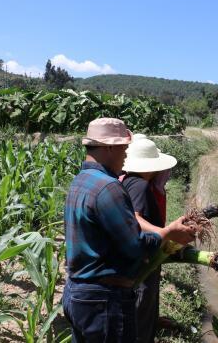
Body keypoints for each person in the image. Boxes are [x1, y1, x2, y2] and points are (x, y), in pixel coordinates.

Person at [62, 118, 196, 342]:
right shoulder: (108, 188)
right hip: (103, 301)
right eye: (124, 147)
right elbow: (136, 247)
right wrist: (169, 233)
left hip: (78, 295)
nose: (126, 153)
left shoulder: (80, 182)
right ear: (109, 147)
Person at [121, 136, 179, 342]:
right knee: (143, 299)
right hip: (144, 256)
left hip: (137, 254)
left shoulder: (128, 180)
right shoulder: (140, 187)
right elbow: (136, 220)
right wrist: (168, 232)